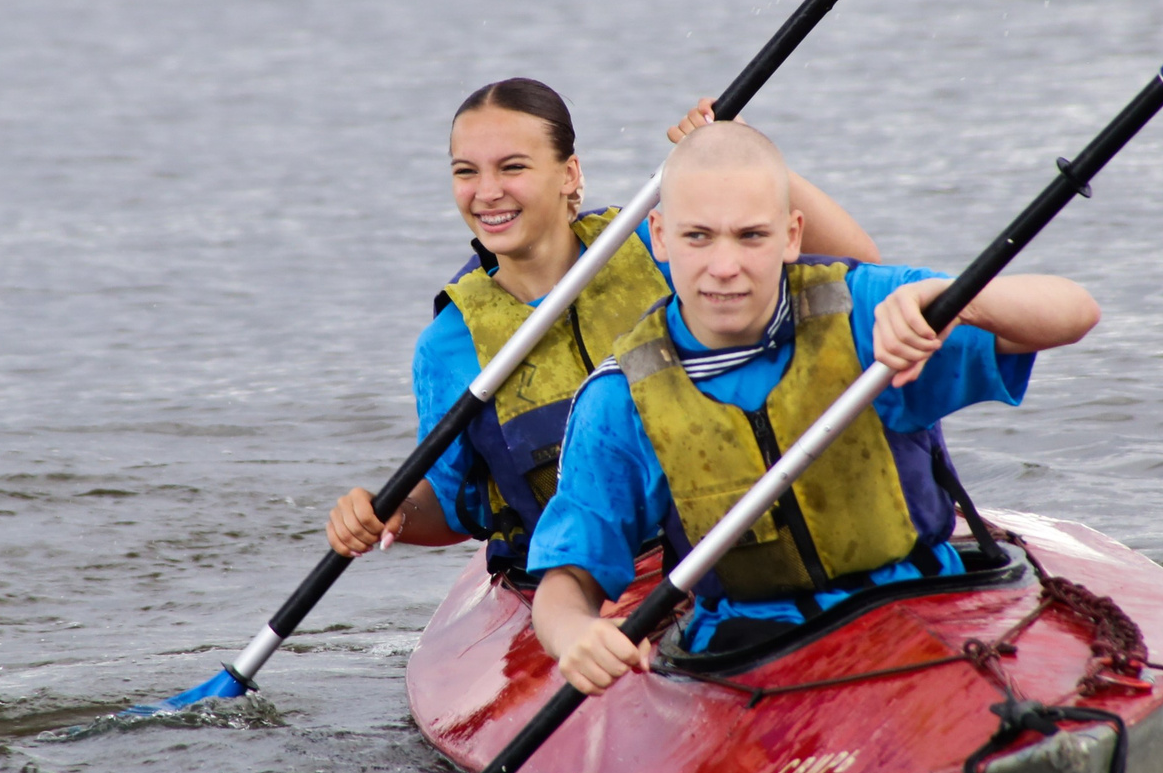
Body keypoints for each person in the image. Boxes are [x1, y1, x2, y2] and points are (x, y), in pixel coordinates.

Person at [525, 119, 1100, 694]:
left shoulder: (866, 310)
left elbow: (1075, 313)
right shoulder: (619, 398)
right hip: (751, 648)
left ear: (792, 235)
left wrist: (961, 303)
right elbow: (568, 580)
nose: (725, 266)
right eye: (698, 237)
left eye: (751, 236)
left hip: (922, 610)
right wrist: (574, 632)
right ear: (659, 235)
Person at [325, 79, 877, 575]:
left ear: (570, 175)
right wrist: (389, 511)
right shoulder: (449, 344)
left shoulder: (658, 245)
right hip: (582, 573)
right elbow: (449, 506)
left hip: (728, 534)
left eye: (512, 167)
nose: (486, 191)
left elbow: (854, 263)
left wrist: (737, 155)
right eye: (466, 172)